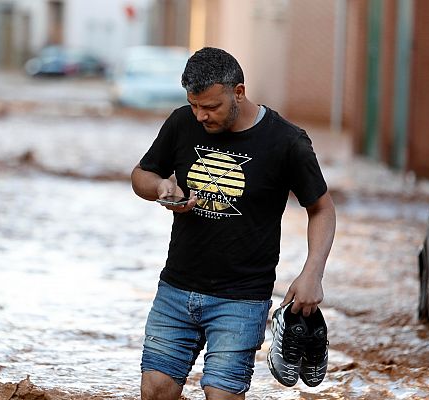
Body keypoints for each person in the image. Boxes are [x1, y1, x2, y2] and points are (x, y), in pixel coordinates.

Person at [131, 47, 336, 399]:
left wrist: (312, 273)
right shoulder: (181, 123)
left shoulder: (287, 141)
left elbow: (322, 209)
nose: (200, 116)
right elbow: (141, 175)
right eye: (194, 105)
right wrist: (160, 187)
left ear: (238, 92)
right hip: (176, 289)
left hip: (242, 299)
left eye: (211, 107)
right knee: (156, 390)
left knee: (221, 395)